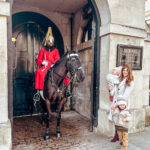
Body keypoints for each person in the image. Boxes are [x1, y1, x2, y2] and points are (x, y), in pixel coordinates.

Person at [35, 27, 69, 97]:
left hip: (54, 66)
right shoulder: (43, 50)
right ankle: (39, 91)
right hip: (45, 66)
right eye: (49, 42)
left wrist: (54, 63)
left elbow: (58, 59)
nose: (50, 43)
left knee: (64, 75)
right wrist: (42, 62)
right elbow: (38, 59)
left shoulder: (55, 50)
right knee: (39, 72)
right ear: (47, 42)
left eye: (52, 42)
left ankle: (66, 91)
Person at [110, 64, 134, 142]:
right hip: (116, 101)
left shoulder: (130, 81)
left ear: (129, 71)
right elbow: (115, 91)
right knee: (117, 119)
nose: (125, 72)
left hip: (123, 103)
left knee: (123, 122)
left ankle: (123, 139)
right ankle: (117, 136)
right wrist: (110, 89)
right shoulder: (120, 79)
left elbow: (125, 95)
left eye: (127, 70)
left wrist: (117, 104)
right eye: (124, 70)